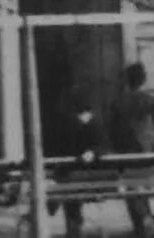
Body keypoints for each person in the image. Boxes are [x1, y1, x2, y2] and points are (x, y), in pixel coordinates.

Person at [105, 62, 154, 238]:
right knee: (147, 188)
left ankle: (140, 224)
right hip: (152, 159)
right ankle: (146, 222)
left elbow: (112, 133)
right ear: (144, 80)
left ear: (127, 81)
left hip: (128, 159)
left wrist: (118, 156)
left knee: (134, 192)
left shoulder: (117, 104)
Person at [48, 94, 105, 238]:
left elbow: (99, 147)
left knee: (66, 189)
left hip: (83, 174)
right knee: (67, 191)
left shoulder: (80, 125)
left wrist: (91, 153)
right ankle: (71, 224)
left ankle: (56, 206)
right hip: (79, 172)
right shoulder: (91, 124)